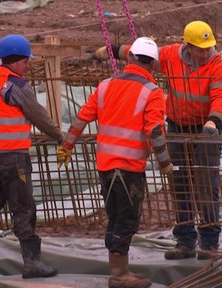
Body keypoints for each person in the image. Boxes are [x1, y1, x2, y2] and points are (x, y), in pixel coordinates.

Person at [93, 20, 222, 260]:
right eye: (201, 49)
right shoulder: (169, 56)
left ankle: (209, 243)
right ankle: (185, 241)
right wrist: (109, 51)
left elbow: (220, 95)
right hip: (177, 128)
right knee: (180, 186)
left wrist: (214, 121)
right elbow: (136, 53)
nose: (206, 53)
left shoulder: (218, 65)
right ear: (188, 46)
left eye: (209, 48)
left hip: (205, 130)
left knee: (206, 186)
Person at [57, 37, 173, 288]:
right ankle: (119, 277)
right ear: (152, 65)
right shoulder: (153, 93)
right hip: (130, 167)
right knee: (127, 220)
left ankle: (120, 271)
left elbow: (81, 117)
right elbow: (154, 130)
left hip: (106, 166)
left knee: (115, 216)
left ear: (130, 59)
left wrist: (66, 145)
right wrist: (164, 162)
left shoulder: (105, 85)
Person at [0, 34, 62, 279]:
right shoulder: (14, 84)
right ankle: (31, 264)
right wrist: (60, 137)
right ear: (14, 61)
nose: (28, 65)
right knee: (23, 207)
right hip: (13, 156)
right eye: (25, 61)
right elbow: (38, 115)